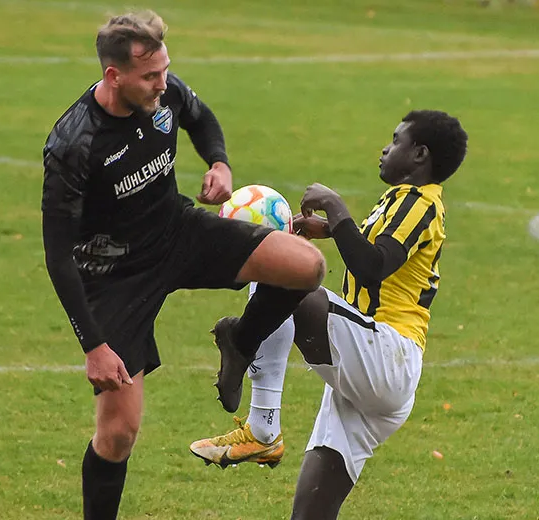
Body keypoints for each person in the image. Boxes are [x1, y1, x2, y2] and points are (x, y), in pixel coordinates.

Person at [41, 11, 325, 520]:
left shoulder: (162, 92)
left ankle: (241, 340)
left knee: (306, 266)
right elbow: (58, 256)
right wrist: (94, 347)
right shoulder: (74, 145)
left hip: (177, 232)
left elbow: (201, 118)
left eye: (165, 70)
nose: (163, 83)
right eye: (150, 76)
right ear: (114, 76)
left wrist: (219, 162)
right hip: (114, 276)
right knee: (118, 433)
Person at [190, 110, 468, 519]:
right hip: (374, 373)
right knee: (310, 514)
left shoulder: (419, 202)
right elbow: (377, 254)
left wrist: (337, 209)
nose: (386, 149)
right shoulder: (405, 200)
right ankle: (262, 428)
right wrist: (329, 229)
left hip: (384, 353)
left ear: (419, 155)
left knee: (288, 271)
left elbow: (372, 266)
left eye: (396, 141)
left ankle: (245, 352)